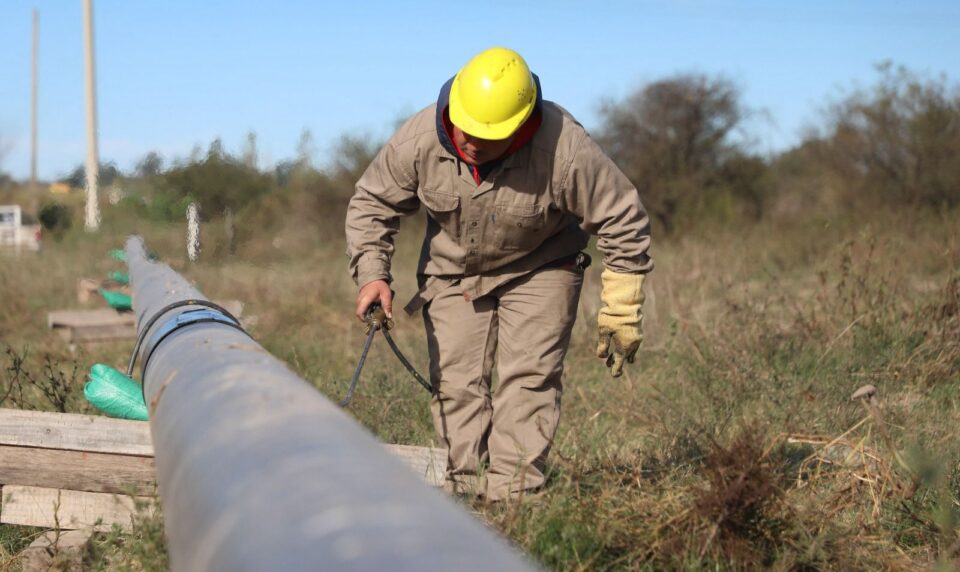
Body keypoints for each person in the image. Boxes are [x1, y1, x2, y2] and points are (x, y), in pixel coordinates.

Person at [345, 47, 652, 501]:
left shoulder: (564, 147)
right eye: (465, 129)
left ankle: (514, 499)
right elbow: (373, 202)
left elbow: (622, 217)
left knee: (527, 379)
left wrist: (622, 306)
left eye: (488, 136)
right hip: (452, 272)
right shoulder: (419, 138)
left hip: (541, 265)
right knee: (456, 383)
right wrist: (374, 274)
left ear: (522, 125)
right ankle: (466, 494)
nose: (471, 142)